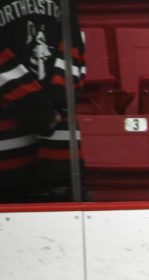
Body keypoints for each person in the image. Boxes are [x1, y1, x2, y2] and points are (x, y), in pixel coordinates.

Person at [0, 0, 85, 203]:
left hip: (59, 140)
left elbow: (74, 48)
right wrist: (36, 107)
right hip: (8, 137)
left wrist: (56, 98)